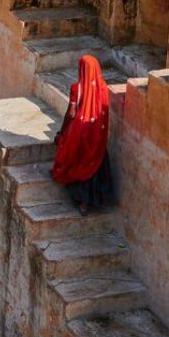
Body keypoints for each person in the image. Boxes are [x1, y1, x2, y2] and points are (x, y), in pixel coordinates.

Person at [51, 55, 114, 216]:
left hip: (80, 136)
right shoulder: (103, 88)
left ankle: (81, 201)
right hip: (96, 136)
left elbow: (71, 113)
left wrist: (62, 132)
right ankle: (90, 202)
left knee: (74, 161)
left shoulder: (76, 89)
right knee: (94, 163)